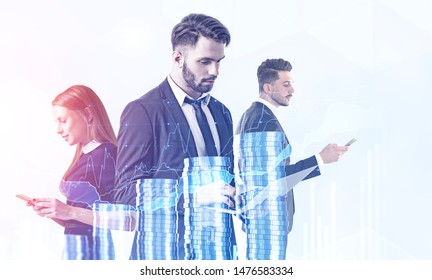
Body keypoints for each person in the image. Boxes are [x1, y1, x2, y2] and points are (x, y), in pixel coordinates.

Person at [114, 13, 236, 260]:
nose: (215, 71)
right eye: (205, 62)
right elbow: (125, 193)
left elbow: (227, 179)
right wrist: (194, 197)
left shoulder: (222, 112)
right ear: (178, 58)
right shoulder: (143, 111)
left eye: (219, 61)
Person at [235, 58, 349, 259]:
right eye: (286, 84)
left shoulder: (253, 115)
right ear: (268, 88)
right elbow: (274, 181)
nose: (293, 90)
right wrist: (320, 159)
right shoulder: (264, 121)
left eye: (292, 83)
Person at [31, 85, 118, 260]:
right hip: (77, 253)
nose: (58, 129)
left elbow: (120, 220)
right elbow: (79, 223)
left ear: (88, 114)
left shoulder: (107, 154)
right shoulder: (84, 155)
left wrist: (68, 211)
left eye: (62, 120)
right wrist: (55, 213)